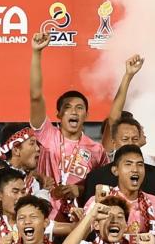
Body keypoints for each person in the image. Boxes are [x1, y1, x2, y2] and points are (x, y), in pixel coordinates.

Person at [29, 31, 106, 216]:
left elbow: (102, 189)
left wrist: (78, 191)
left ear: (86, 115)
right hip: (43, 218)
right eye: (68, 107)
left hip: (77, 223)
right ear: (58, 114)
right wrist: (36, 53)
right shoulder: (47, 134)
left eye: (79, 108)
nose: (73, 111)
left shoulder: (96, 150)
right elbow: (35, 96)